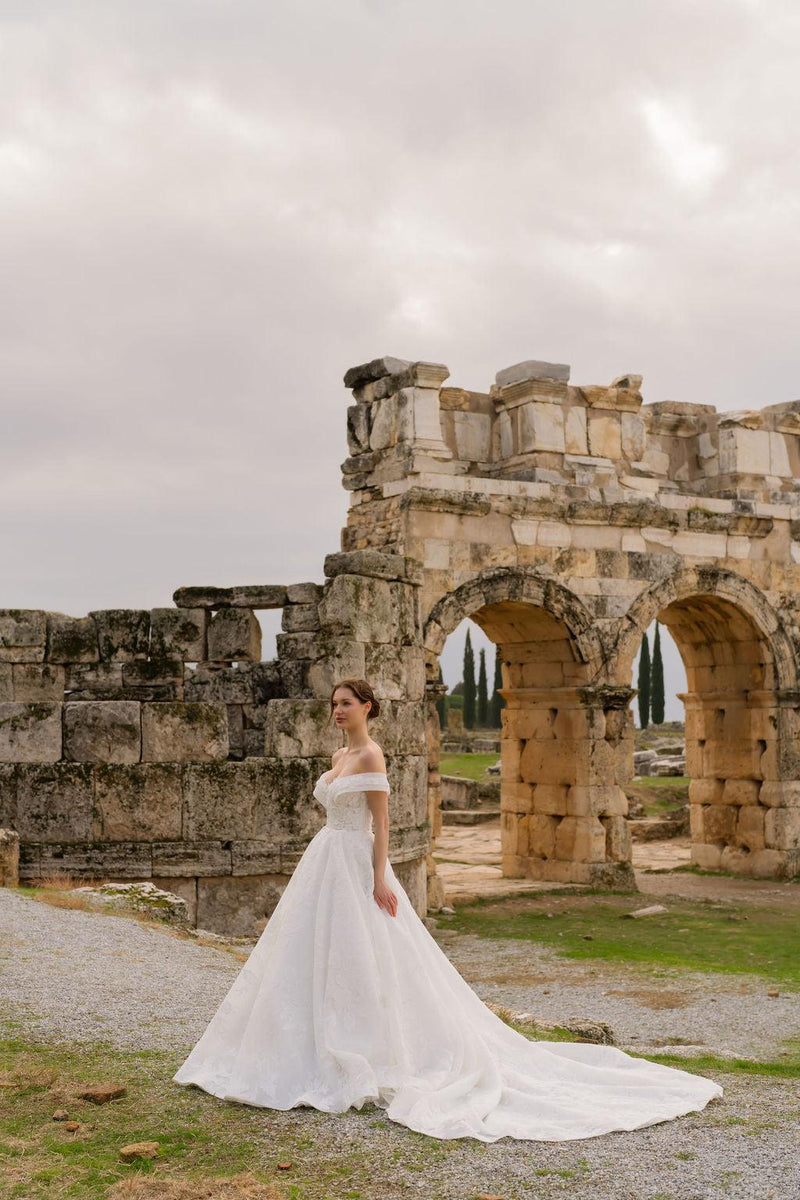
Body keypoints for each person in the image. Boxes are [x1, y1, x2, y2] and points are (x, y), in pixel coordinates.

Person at [172, 677, 723, 1142]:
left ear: (368, 708)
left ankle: (376, 1049)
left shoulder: (370, 753)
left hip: (356, 859)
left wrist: (380, 878)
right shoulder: (339, 755)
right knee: (311, 952)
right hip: (324, 858)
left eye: (346, 703)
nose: (337, 711)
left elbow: (380, 822)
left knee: (371, 953)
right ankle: (305, 1048)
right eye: (333, 703)